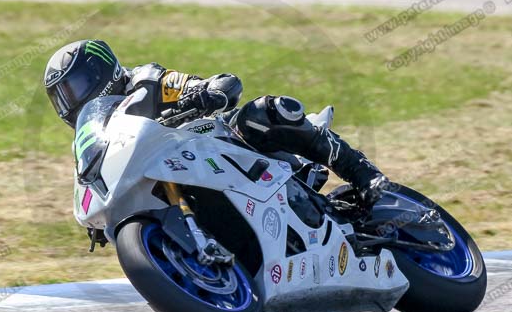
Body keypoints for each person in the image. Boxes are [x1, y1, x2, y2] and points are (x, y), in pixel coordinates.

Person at [44, 39, 389, 208]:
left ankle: (361, 171)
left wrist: (206, 92)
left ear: (99, 71)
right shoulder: (98, 132)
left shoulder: (144, 82)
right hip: (175, 180)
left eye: (74, 88)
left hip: (216, 144)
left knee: (267, 112)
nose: (71, 102)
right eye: (62, 97)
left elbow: (207, 83)